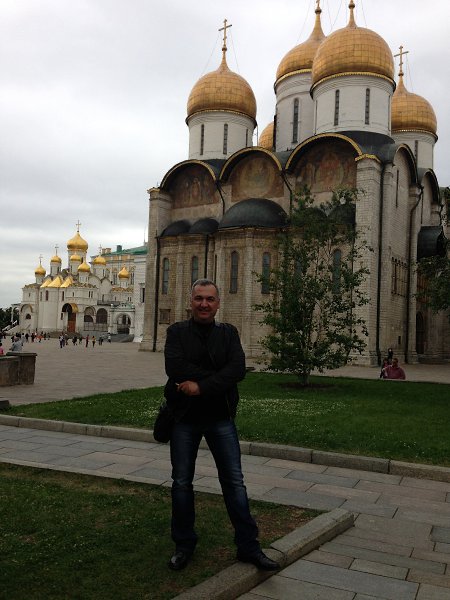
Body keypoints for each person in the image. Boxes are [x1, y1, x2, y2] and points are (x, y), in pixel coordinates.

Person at [164, 278, 279, 572]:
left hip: (219, 418)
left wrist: (200, 386)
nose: (204, 304)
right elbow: (175, 368)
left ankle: (248, 546)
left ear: (218, 304)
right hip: (185, 418)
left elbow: (237, 369)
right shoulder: (176, 332)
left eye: (210, 299)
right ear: (190, 302)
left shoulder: (228, 333)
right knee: (181, 482)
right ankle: (184, 544)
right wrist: (218, 375)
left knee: (234, 482)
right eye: (199, 298)